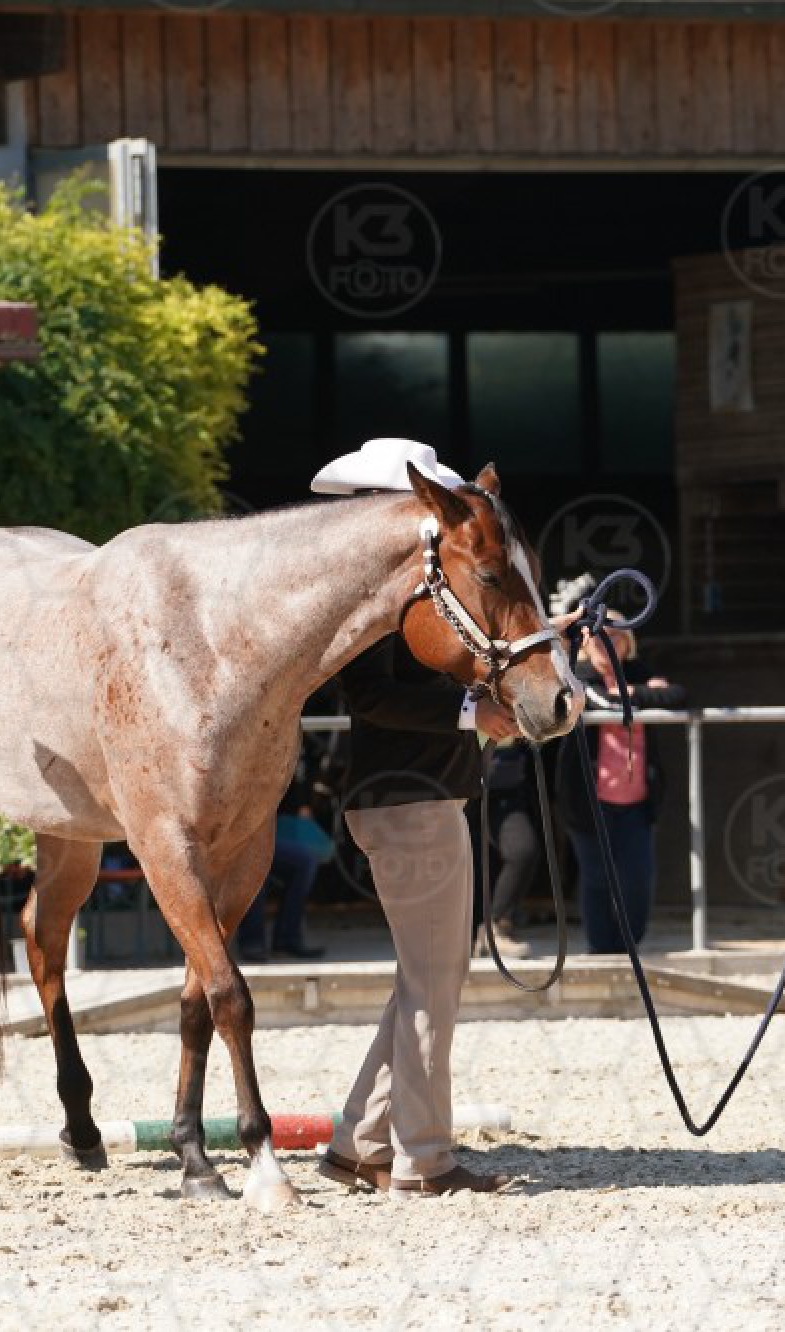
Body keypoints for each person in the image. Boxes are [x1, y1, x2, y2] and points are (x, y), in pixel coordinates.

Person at [309, 437, 521, 1199]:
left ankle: (358, 1145)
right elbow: (370, 697)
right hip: (410, 802)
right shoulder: (379, 604)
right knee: (434, 986)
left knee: (424, 980)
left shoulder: (412, 597)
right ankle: (424, 1160)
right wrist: (471, 711)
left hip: (417, 797)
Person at [555, 612, 685, 953]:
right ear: (586, 642)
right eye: (599, 637)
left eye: (614, 636)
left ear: (628, 642)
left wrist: (631, 691)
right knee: (597, 878)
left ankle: (627, 950)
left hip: (637, 800)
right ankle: (601, 950)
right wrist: (642, 695)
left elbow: (677, 695)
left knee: (639, 880)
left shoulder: (638, 670)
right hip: (589, 800)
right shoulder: (577, 674)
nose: (607, 643)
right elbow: (602, 702)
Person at [235, 778, 331, 963]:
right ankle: (252, 941)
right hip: (228, 839)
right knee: (255, 862)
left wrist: (302, 804)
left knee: (305, 860)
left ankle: (287, 939)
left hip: (261, 835)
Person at [472, 740, 538, 959]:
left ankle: (496, 927)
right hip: (457, 786)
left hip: (505, 785)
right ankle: (469, 935)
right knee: (466, 865)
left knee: (522, 851)